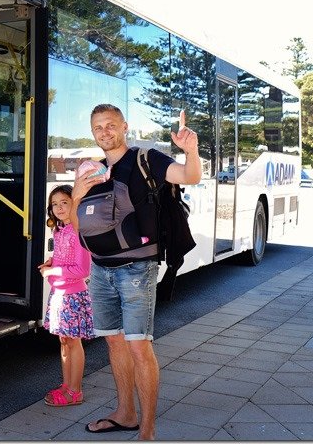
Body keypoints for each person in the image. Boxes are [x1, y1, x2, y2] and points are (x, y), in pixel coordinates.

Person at [73, 104, 201, 440]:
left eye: (111, 125)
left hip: (136, 270)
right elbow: (76, 224)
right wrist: (75, 194)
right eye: (98, 126)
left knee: (138, 347)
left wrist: (191, 152)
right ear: (93, 131)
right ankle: (125, 414)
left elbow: (190, 176)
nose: (105, 132)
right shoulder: (93, 170)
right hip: (100, 270)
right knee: (114, 345)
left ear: (124, 126)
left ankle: (147, 431)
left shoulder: (147, 158)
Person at [39, 184, 95, 407]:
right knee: (64, 342)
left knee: (73, 342)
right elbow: (63, 256)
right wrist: (53, 261)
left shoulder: (78, 232)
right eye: (55, 204)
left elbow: (83, 270)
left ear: (75, 205)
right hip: (59, 293)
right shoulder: (59, 230)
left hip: (73, 295)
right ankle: (66, 385)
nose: (59, 208)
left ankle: (75, 391)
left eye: (65, 202)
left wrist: (52, 271)